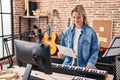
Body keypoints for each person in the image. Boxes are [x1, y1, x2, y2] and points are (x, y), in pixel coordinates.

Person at [57, 4, 99, 69]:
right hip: (68, 65)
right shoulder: (66, 32)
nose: (76, 20)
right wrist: (61, 54)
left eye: (78, 17)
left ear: (83, 17)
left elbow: (94, 52)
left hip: (85, 66)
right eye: (74, 17)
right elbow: (63, 49)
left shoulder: (91, 33)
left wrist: (89, 65)